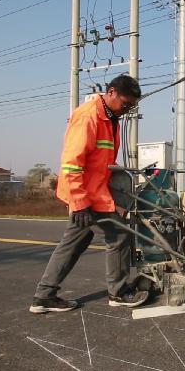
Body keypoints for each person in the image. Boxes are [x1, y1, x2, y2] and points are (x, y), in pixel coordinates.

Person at [30, 74, 147, 314]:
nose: (127, 110)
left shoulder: (109, 116)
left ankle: (44, 295)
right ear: (111, 92)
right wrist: (80, 203)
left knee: (77, 240)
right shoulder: (89, 116)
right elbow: (72, 163)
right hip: (85, 194)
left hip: (94, 192)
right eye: (125, 104)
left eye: (131, 106)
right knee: (120, 235)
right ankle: (119, 292)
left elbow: (102, 163)